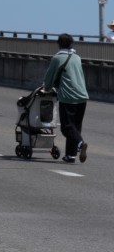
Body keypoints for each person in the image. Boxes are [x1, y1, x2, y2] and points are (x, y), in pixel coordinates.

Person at [43, 33, 89, 163]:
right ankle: (71, 155)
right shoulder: (77, 57)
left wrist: (47, 88)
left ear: (59, 44)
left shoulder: (57, 58)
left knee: (66, 127)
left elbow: (49, 78)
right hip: (82, 96)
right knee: (75, 126)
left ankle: (80, 144)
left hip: (68, 96)